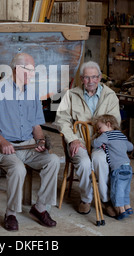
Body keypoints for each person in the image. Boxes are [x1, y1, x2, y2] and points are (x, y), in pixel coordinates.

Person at [0, 53, 60, 231]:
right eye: (30, 70)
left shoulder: (32, 92)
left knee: (53, 161)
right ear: (17, 69)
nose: (33, 74)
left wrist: (39, 140)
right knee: (18, 168)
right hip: (3, 147)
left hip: (28, 145)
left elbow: (36, 125)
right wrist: (2, 141)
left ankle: (40, 208)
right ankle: (11, 213)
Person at [54, 61, 121, 217]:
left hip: (101, 142)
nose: (91, 81)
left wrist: (104, 138)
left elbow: (115, 123)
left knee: (101, 161)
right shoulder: (71, 95)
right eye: (86, 78)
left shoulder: (110, 96)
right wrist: (72, 139)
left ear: (99, 78)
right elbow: (61, 120)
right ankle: (86, 199)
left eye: (94, 77)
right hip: (80, 141)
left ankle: (105, 200)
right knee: (84, 162)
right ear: (81, 78)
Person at [91, 114, 134, 220]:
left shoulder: (106, 136)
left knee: (116, 190)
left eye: (100, 128)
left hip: (117, 169)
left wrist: (94, 140)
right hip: (128, 167)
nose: (99, 131)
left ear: (108, 124)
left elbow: (95, 144)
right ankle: (128, 207)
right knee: (125, 189)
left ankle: (121, 211)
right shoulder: (121, 135)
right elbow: (130, 147)